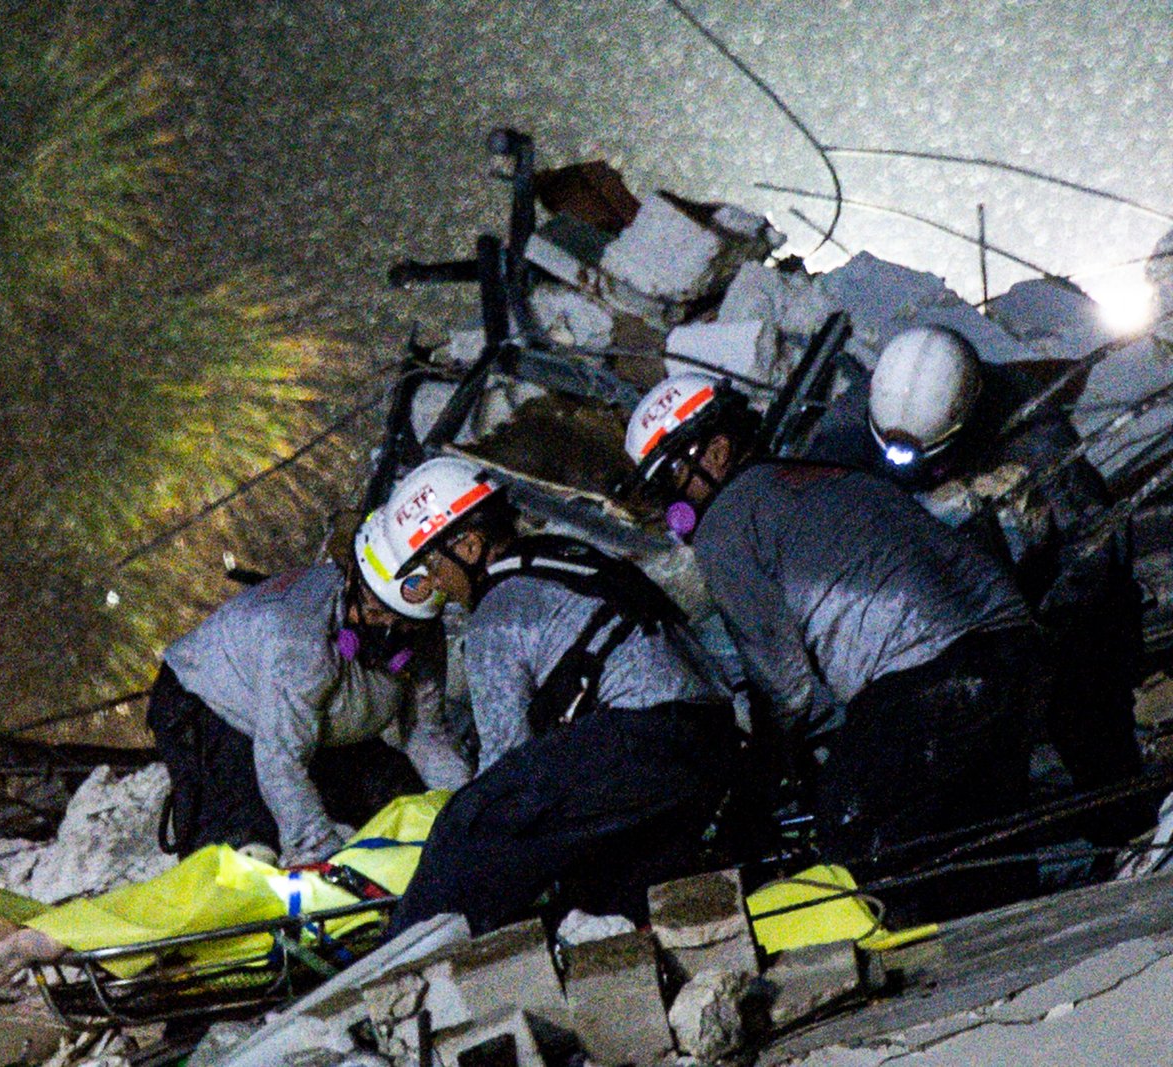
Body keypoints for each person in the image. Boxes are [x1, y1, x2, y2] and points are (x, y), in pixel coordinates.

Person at [628, 372, 1045, 922]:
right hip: (1016, 646)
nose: (672, 505)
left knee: (854, 831)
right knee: (979, 830)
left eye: (674, 479)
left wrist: (754, 789)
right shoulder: (830, 474)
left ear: (719, 450)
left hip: (928, 672)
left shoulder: (725, 527)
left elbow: (787, 688)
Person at [806, 325, 1147, 848]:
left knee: (1090, 708)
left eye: (936, 457)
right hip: (928, 605)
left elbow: (1094, 540)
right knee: (967, 756)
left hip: (1038, 595)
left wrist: (1048, 619)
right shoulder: (846, 433)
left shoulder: (1030, 430)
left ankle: (1125, 832)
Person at [382, 457, 735, 936]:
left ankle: (402, 963)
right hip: (711, 741)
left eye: (431, 562)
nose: (434, 584)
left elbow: (504, 764)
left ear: (468, 543)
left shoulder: (497, 614)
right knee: (598, 904)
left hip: (643, 738)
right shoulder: (568, 556)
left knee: (468, 821)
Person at [149, 503, 471, 869]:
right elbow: (280, 758)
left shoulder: (423, 633)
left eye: (402, 625)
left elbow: (426, 735)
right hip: (209, 698)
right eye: (377, 614)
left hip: (316, 715)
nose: (387, 634)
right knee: (245, 848)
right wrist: (321, 856)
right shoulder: (301, 639)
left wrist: (472, 804)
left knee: (403, 795)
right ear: (351, 582)